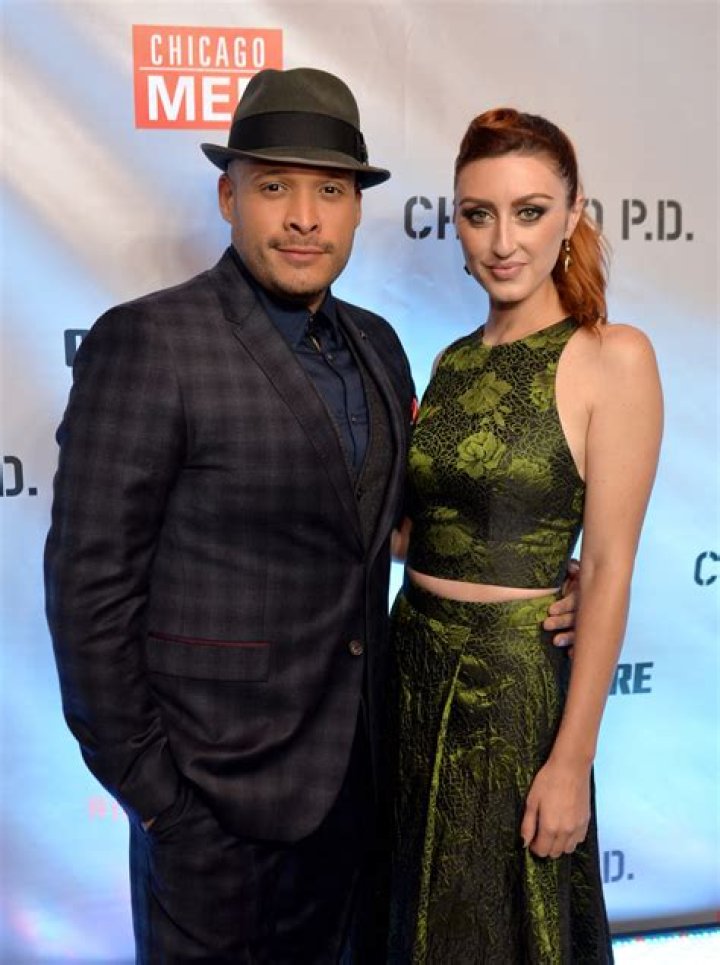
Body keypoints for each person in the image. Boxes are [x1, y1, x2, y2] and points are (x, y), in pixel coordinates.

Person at [44, 70, 578, 962]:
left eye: (330, 191)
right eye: (275, 187)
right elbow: (87, 598)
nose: (304, 218)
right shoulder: (150, 342)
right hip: (214, 815)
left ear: (357, 209)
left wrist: (536, 573)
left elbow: (399, 526)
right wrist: (162, 803)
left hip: (366, 797)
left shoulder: (378, 345)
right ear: (229, 197)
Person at [388, 108, 663, 963]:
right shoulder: (450, 361)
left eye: (530, 211)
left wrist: (571, 760)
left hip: (512, 697)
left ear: (574, 213)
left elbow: (609, 568)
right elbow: (418, 533)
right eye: (479, 214)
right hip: (407, 672)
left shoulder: (614, 356)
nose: (502, 242)